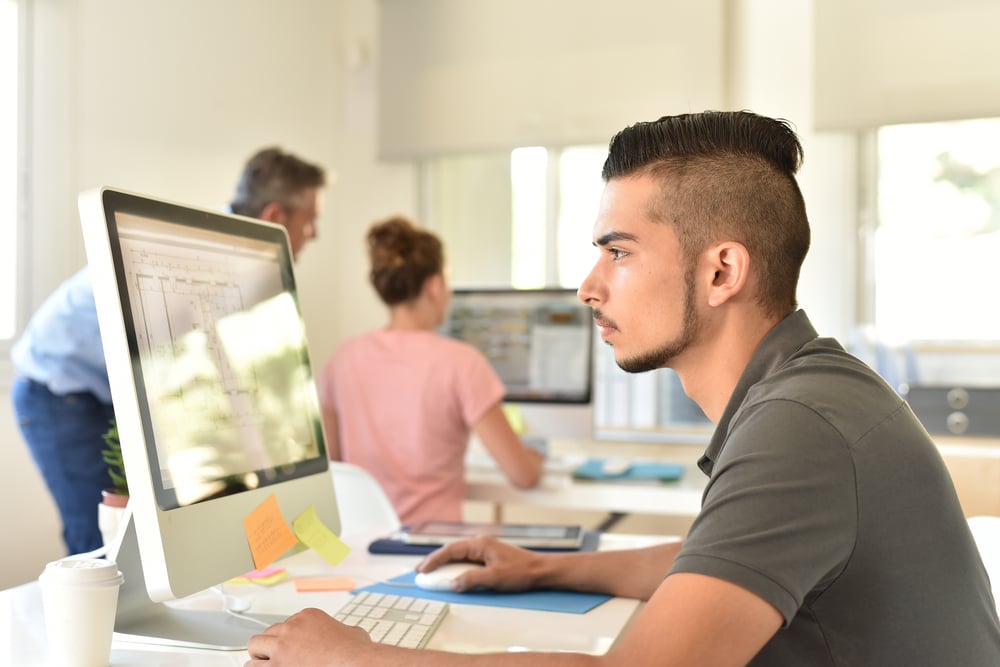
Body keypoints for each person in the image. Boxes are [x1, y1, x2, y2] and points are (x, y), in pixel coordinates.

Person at [246, 111, 1000, 666]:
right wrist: (544, 568)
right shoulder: (807, 393)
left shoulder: (799, 427)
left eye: (618, 252)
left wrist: (353, 656)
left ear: (721, 271)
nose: (587, 286)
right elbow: (710, 558)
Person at [11, 146, 327, 555]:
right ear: (275, 217)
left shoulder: (234, 254)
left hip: (103, 385)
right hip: (59, 389)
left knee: (139, 534)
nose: (315, 233)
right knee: (98, 536)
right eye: (311, 220)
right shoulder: (206, 253)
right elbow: (220, 370)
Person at [317, 215, 543, 524]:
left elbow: (335, 466)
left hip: (360, 548)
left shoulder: (343, 359)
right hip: (431, 552)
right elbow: (523, 475)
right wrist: (536, 459)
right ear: (435, 286)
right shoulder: (462, 363)